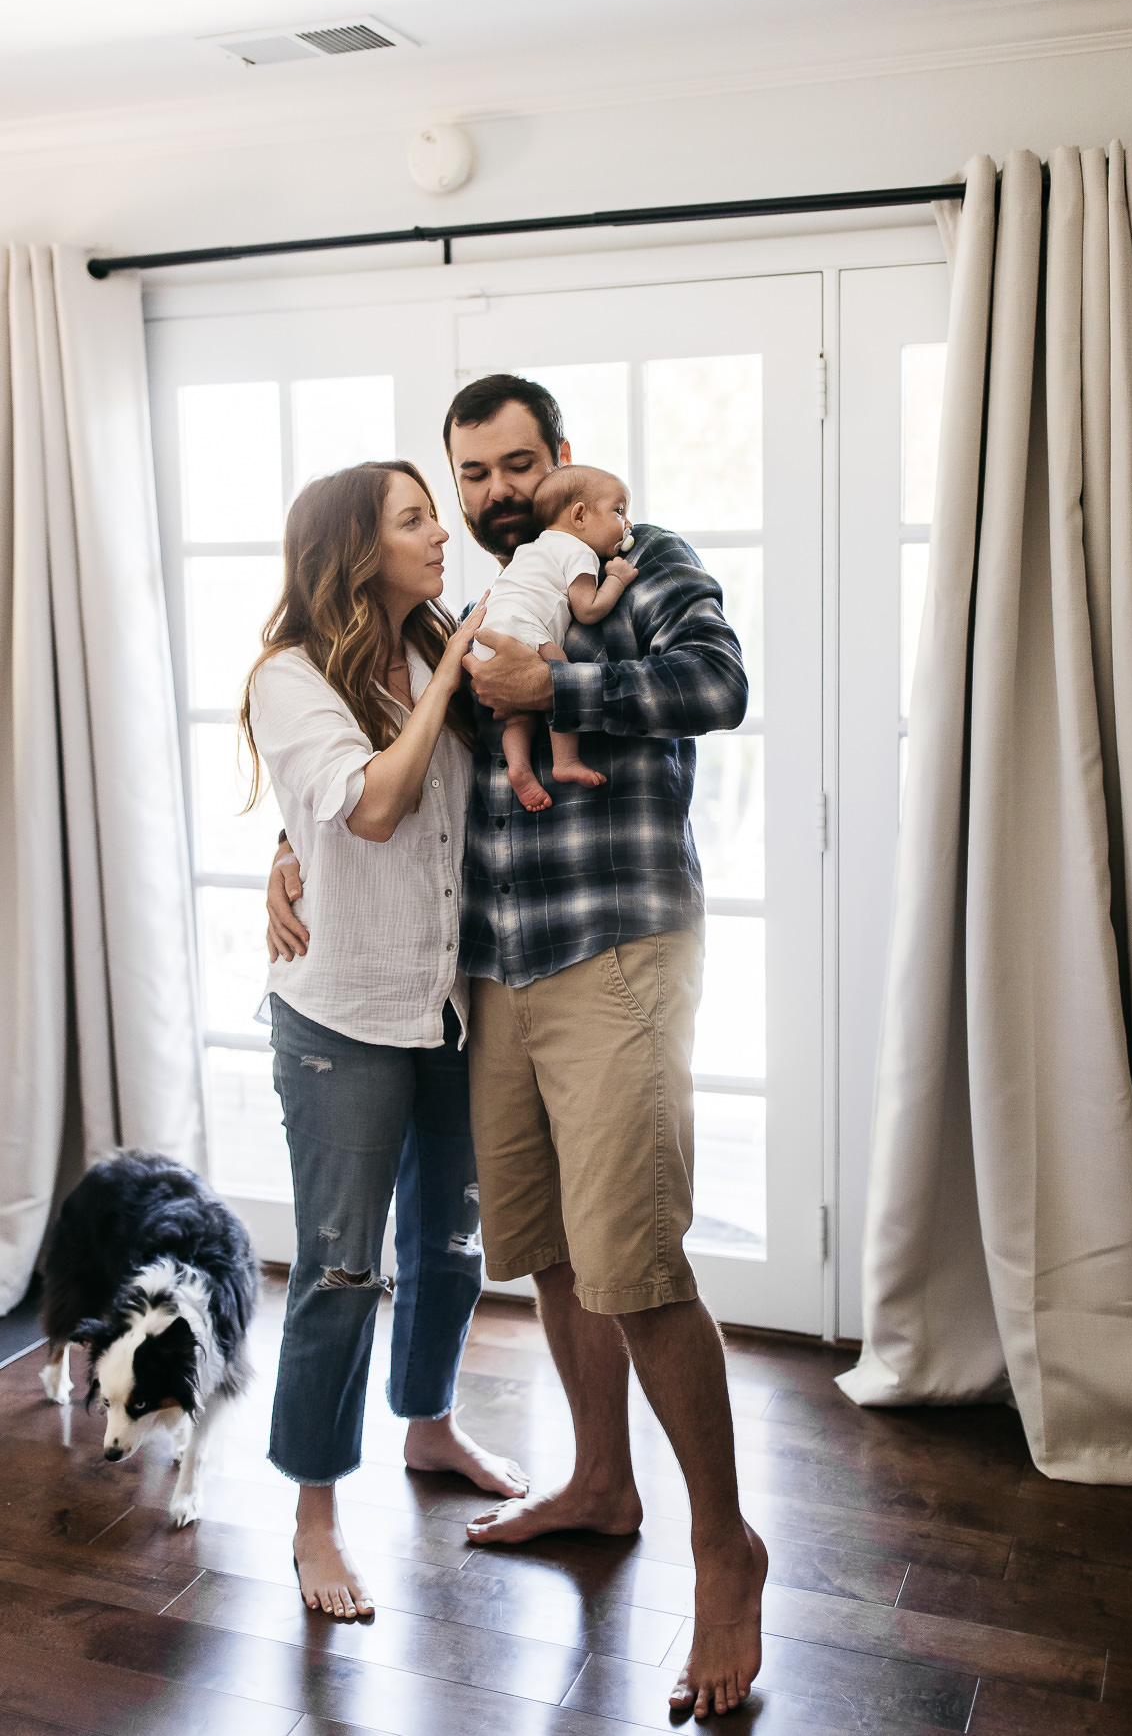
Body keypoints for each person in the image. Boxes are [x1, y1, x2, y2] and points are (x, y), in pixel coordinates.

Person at [268, 377, 766, 1719]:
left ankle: (727, 1549)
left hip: (614, 947)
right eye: (466, 475)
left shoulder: (633, 558)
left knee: (638, 1264)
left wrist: (564, 679)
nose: (492, 493)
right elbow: (376, 759)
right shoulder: (450, 616)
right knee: (544, 1250)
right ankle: (600, 1476)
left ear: (560, 457)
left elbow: (718, 682)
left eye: (513, 464)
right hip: (489, 972)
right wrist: (285, 846)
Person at [243, 459, 527, 1623]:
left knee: (452, 1245)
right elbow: (368, 804)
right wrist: (452, 668)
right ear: (358, 548)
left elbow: (467, 812)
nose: (441, 534)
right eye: (416, 520)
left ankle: (431, 1424)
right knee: (343, 1269)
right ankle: (315, 1512)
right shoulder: (290, 675)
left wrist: (455, 662)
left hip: (445, 1005)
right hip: (340, 1018)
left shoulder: (438, 646)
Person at [473, 464, 638, 811]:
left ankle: (518, 768)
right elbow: (588, 609)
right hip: (519, 626)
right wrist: (617, 580)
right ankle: (565, 761)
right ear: (579, 515)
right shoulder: (578, 551)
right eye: (619, 511)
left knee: (519, 714)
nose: (628, 525)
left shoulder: (535, 548)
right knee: (560, 675)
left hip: (487, 635)